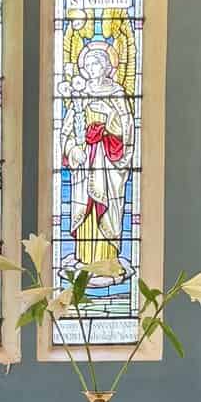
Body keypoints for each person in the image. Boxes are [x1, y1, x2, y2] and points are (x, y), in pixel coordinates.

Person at [62, 41, 135, 282]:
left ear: (107, 67)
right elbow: (68, 130)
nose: (93, 68)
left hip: (107, 164)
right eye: (89, 64)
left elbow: (127, 128)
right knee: (85, 208)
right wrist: (73, 150)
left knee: (107, 208)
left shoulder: (116, 94)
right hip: (84, 164)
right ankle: (84, 259)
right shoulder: (79, 95)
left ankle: (107, 262)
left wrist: (107, 124)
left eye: (98, 63)